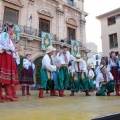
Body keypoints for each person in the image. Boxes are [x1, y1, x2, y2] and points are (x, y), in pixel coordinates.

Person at [0, 23, 19, 102]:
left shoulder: (7, 36)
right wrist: (6, 51)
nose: (13, 30)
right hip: (4, 56)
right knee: (2, 76)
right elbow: (3, 44)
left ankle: (8, 95)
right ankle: (3, 95)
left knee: (7, 77)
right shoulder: (4, 34)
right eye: (12, 28)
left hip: (8, 56)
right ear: (9, 29)